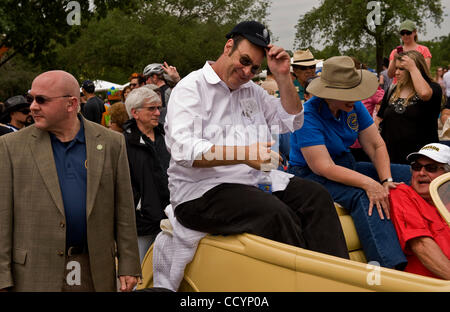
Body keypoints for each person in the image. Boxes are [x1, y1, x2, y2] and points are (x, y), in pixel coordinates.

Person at [162, 21, 349, 270]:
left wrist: (283, 77)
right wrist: (245, 154)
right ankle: (302, 282)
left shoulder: (252, 91)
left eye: (255, 68)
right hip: (199, 193)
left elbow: (291, 120)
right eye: (245, 60)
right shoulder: (190, 88)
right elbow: (184, 149)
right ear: (229, 46)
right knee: (276, 213)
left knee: (317, 197)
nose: (248, 71)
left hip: (251, 183)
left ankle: (337, 279)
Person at [0, 70, 141, 292]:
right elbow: (2, 216)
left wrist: (129, 264)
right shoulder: (10, 146)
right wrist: (2, 278)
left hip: (94, 270)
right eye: (31, 99)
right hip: (33, 272)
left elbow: (124, 208)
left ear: (71, 104)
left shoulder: (112, 143)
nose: (33, 106)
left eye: (41, 100)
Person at [288, 55, 411, 269]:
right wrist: (370, 183)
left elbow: (375, 145)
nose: (354, 98)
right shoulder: (307, 116)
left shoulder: (352, 107)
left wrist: (386, 179)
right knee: (362, 195)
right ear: (328, 94)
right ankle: (390, 266)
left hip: (344, 163)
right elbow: (323, 167)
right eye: (347, 93)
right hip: (310, 174)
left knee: (412, 175)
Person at [123, 87, 170, 263]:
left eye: (158, 108)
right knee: (139, 273)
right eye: (152, 108)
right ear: (135, 112)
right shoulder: (123, 143)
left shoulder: (165, 137)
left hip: (171, 219)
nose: (158, 113)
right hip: (142, 224)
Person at [390, 143, 450, 279]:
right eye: (416, 167)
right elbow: (422, 245)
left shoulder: (446, 201)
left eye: (431, 168)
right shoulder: (402, 193)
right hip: (429, 284)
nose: (421, 173)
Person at [376, 50, 442, 164]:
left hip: (421, 160)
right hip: (391, 158)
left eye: (402, 69)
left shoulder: (433, 88)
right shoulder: (393, 89)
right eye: (396, 68)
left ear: (416, 69)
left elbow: (424, 94)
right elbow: (379, 118)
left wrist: (412, 68)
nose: (396, 73)